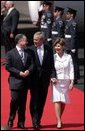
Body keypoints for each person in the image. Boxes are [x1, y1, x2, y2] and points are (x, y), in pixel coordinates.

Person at [28, 31, 56, 129]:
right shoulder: (30, 49)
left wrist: (53, 76)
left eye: (36, 40)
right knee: (34, 101)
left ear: (42, 40)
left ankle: (38, 119)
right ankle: (35, 120)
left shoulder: (48, 49)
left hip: (44, 80)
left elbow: (52, 65)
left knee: (42, 101)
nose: (34, 41)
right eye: (34, 39)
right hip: (34, 80)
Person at [5, 34, 34, 129]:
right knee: (15, 100)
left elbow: (32, 64)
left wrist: (28, 71)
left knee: (23, 103)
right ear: (20, 41)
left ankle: (21, 122)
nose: (27, 42)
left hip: (25, 81)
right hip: (15, 81)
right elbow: (8, 66)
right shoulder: (10, 53)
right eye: (25, 41)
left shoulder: (29, 52)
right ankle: (11, 117)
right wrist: (19, 73)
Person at [51, 38, 74, 129]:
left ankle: (59, 117)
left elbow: (71, 69)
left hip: (65, 81)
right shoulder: (53, 57)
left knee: (63, 101)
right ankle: (59, 121)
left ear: (63, 47)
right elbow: (51, 69)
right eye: (56, 46)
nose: (57, 48)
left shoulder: (68, 57)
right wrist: (52, 78)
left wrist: (72, 82)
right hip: (56, 82)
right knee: (57, 100)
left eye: (58, 46)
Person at [64, 7, 80, 84]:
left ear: (72, 15)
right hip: (68, 44)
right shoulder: (69, 22)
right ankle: (71, 77)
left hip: (71, 45)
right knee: (69, 62)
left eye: (68, 14)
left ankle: (75, 78)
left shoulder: (73, 23)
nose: (66, 15)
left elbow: (74, 36)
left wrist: (73, 47)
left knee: (74, 62)